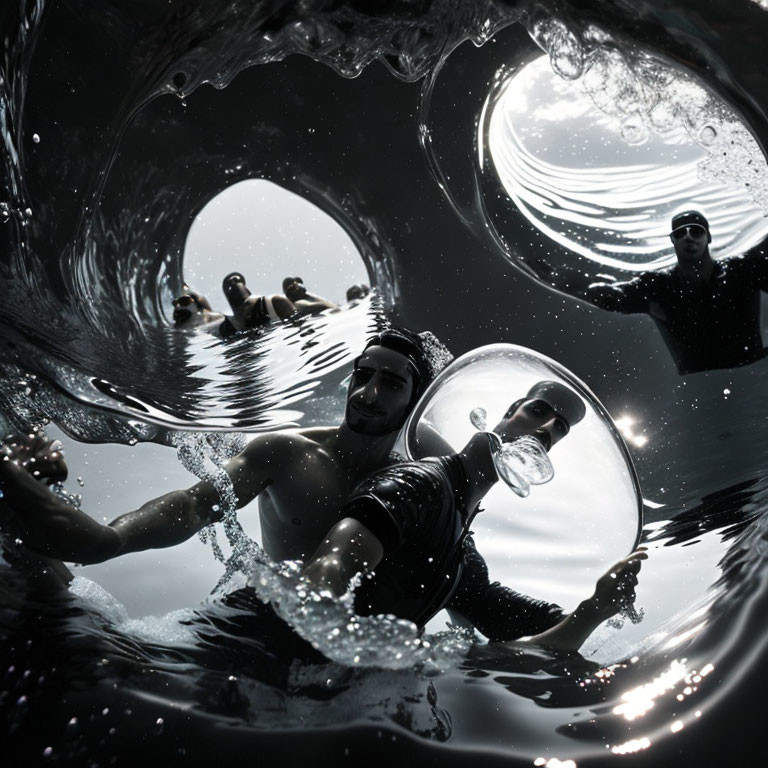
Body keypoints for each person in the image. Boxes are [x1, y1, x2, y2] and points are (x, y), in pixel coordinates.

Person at [300, 382, 647, 651]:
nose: (546, 429)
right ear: (510, 412)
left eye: (559, 429)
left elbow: (537, 636)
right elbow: (329, 571)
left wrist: (597, 607)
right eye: (538, 411)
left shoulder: (462, 555)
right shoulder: (417, 484)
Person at [586, 210, 768, 374]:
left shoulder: (742, 270)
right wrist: (597, 289)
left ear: (708, 237)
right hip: (697, 383)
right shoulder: (657, 285)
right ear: (672, 240)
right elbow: (614, 299)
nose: (688, 237)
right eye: (680, 233)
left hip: (751, 371)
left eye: (696, 231)